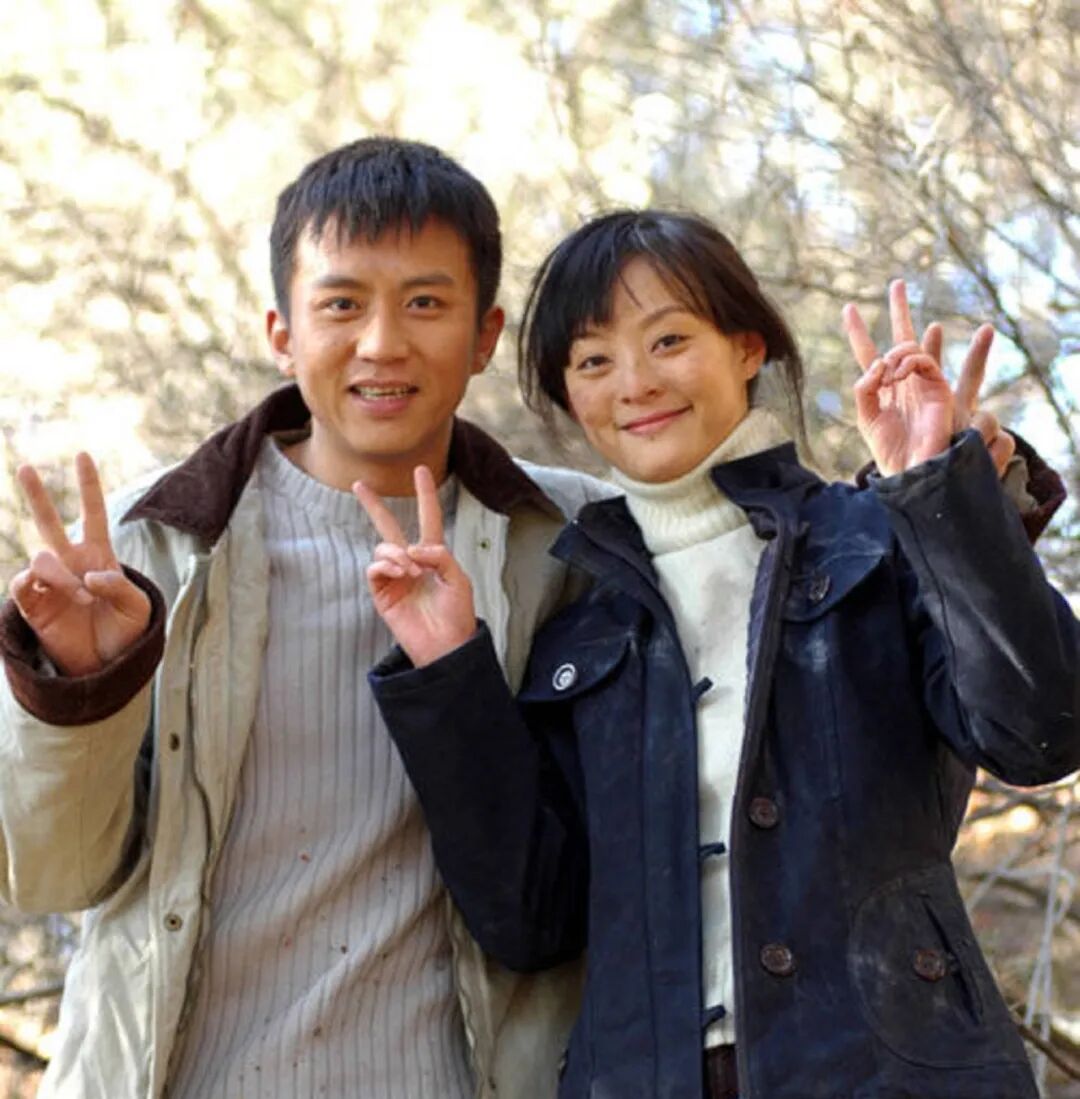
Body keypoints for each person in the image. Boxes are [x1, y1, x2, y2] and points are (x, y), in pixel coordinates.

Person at [362, 210, 1080, 1099]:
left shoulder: (874, 538)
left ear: (746, 346)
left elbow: (1041, 734)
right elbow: (530, 919)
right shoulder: (581, 625)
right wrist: (449, 670)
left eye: (668, 340)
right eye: (593, 361)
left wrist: (941, 491)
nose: (635, 384)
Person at [0, 137, 610, 1098]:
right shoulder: (150, 547)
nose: (382, 343)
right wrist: (83, 697)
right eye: (341, 304)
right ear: (282, 333)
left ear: (485, 334)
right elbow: (53, 874)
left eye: (425, 302)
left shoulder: (571, 543)